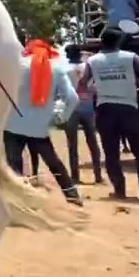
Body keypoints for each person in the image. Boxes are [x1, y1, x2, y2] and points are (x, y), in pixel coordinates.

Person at [79, 27, 139, 202]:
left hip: (105, 109)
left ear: (102, 41)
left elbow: (82, 83)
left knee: (111, 153)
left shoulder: (93, 60)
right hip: (128, 109)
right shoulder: (130, 57)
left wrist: (93, 89)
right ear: (119, 42)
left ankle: (120, 190)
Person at [3, 39, 83, 205]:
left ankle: (20, 202)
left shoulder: (17, 65)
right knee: (53, 162)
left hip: (12, 124)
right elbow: (72, 98)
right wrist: (60, 117)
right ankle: (72, 196)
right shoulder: (56, 68)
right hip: (39, 126)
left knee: (13, 164)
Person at [61, 45, 101, 184]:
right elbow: (95, 87)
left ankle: (75, 176)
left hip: (71, 109)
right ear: (79, 54)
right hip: (88, 107)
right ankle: (98, 175)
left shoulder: (64, 70)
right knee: (93, 143)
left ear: (68, 55)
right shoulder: (89, 67)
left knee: (72, 144)